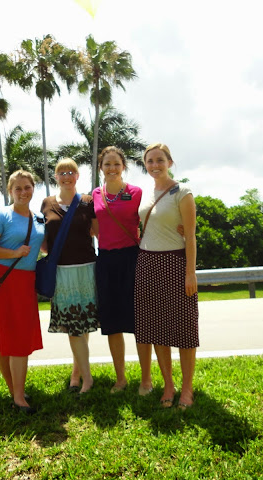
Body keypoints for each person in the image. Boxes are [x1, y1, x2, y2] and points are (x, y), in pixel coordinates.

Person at [134, 143, 199, 410]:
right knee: (156, 328)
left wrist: (190, 273)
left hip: (175, 262)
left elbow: (191, 237)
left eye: (160, 160)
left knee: (184, 328)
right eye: (150, 161)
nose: (155, 165)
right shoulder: (144, 194)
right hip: (146, 263)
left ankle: (187, 389)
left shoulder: (182, 192)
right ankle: (168, 385)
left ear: (169, 162)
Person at [0, 170, 45, 414]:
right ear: (10, 191)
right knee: (2, 339)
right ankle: (17, 395)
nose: (23, 192)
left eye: (27, 187)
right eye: (18, 188)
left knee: (19, 339)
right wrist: (14, 253)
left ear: (33, 188)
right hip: (0, 280)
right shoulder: (1, 215)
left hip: (25, 283)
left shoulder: (39, 219)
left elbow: (44, 246)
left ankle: (18, 392)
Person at [92, 146, 153, 395]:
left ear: (123, 166)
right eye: (107, 164)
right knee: (112, 323)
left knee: (140, 321)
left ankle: (146, 380)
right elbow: (95, 228)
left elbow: (150, 221)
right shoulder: (96, 194)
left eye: (116, 164)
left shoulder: (136, 193)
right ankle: (120, 379)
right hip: (106, 261)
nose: (112, 168)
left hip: (132, 259)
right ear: (100, 168)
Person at [41, 158, 99, 394]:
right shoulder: (47, 203)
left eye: (71, 172)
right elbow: (43, 238)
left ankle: (78, 373)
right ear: (56, 177)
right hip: (62, 272)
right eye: (62, 172)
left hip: (87, 270)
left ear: (77, 176)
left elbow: (98, 232)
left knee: (81, 326)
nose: (66, 176)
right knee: (74, 326)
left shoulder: (87, 202)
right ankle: (87, 378)